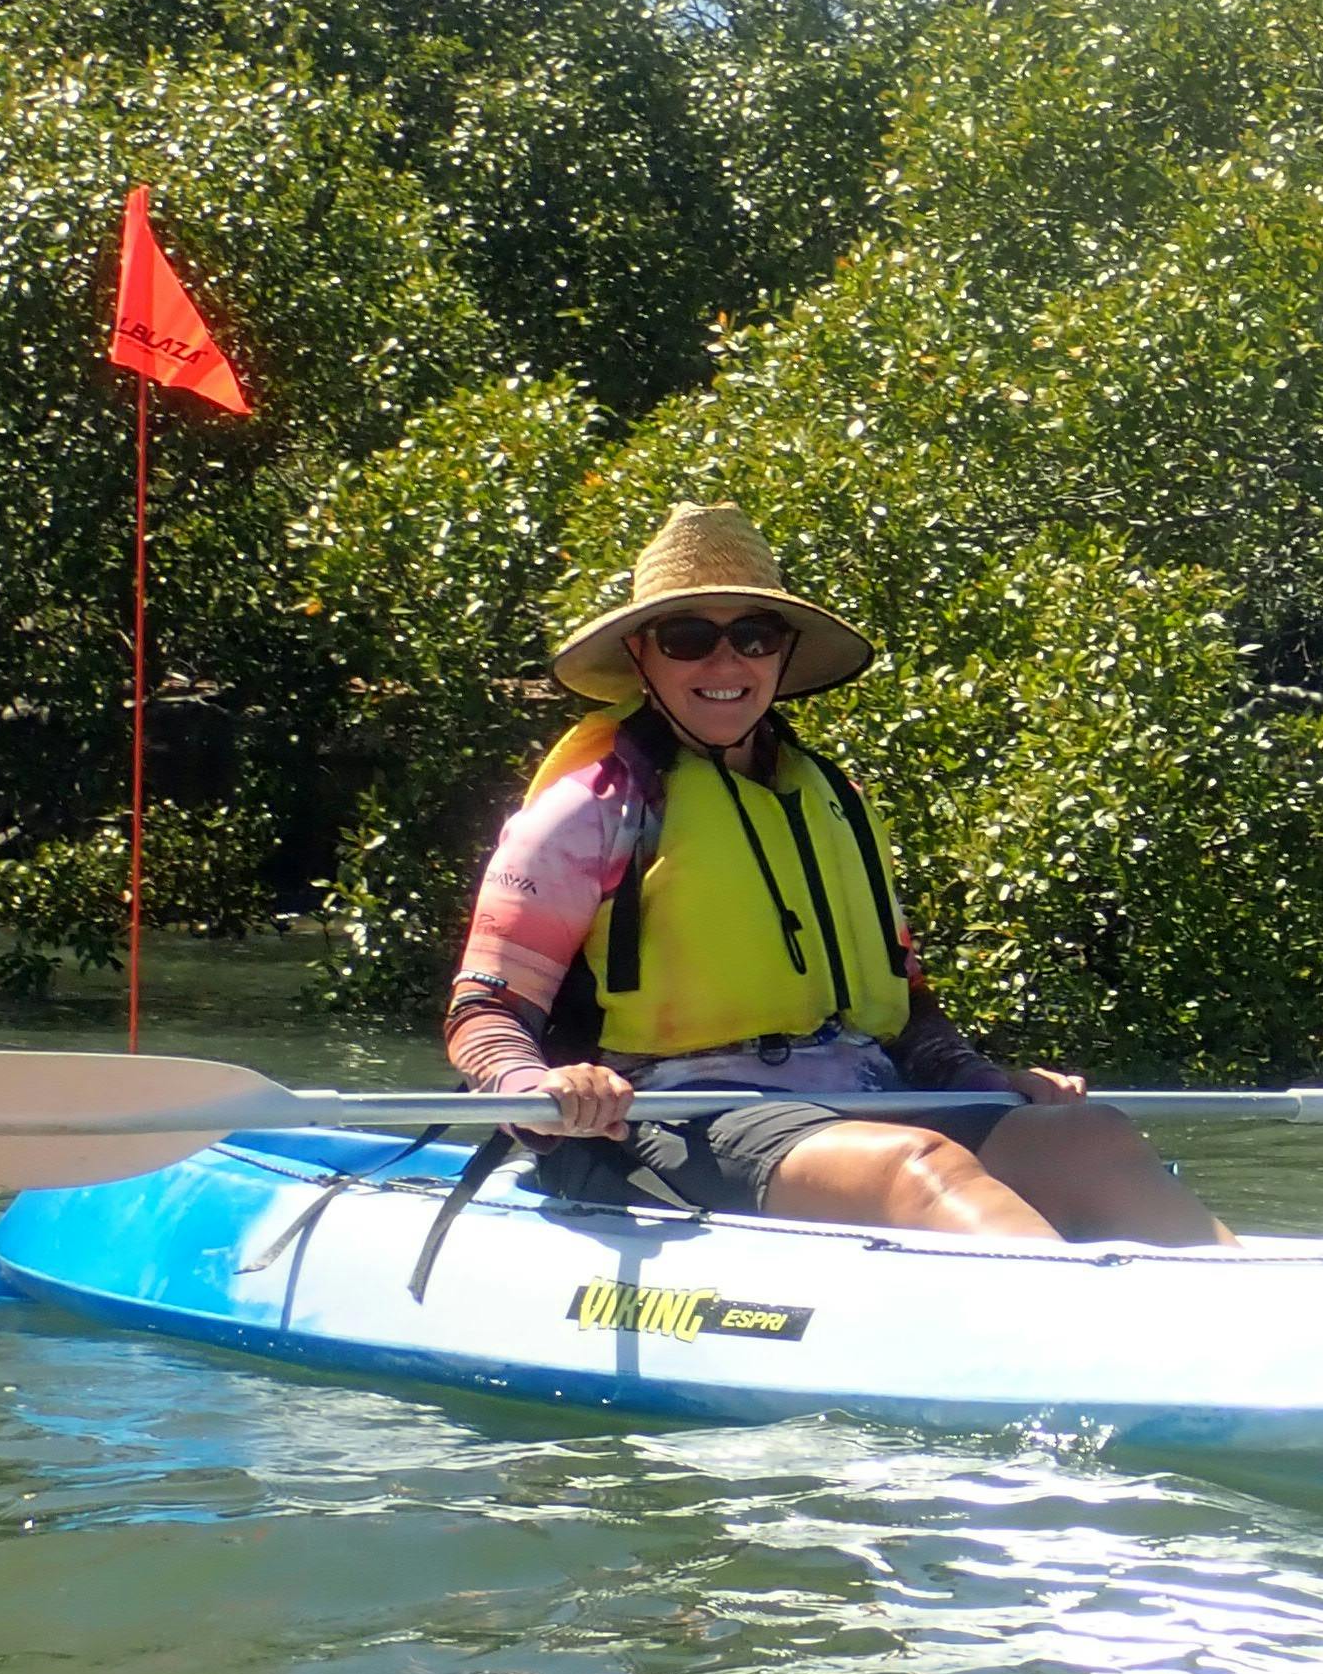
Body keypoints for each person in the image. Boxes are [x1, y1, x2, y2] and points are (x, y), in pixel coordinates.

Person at [443, 501, 1229, 1244]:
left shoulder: (835, 803)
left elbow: (908, 1010)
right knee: (915, 1167)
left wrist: (981, 1076)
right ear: (643, 655)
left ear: (781, 654)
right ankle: (1085, 1325)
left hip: (866, 1097)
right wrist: (536, 1088)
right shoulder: (591, 809)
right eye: (688, 636)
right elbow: (483, 1011)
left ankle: (1244, 1315)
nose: (727, 660)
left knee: (1093, 1136)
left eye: (754, 635)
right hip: (676, 1113)